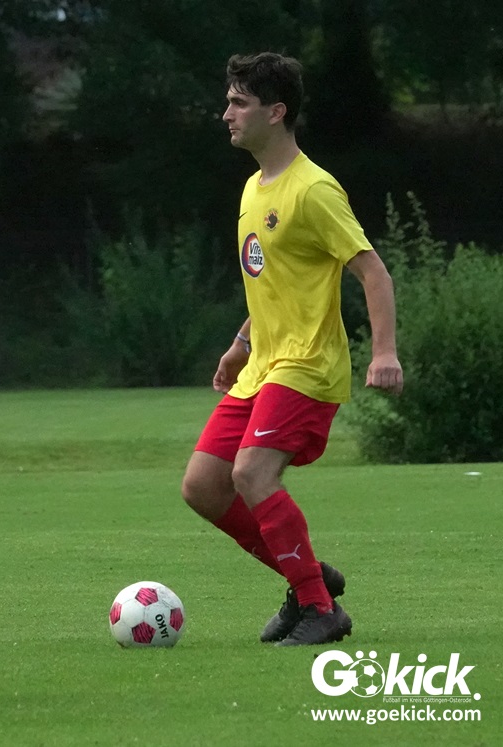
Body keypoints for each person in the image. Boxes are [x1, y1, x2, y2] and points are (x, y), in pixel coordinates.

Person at [180, 52, 403, 646]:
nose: (226, 113)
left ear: (276, 112)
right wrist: (239, 344)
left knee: (252, 472)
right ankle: (306, 575)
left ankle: (319, 609)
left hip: (307, 365)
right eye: (228, 101)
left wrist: (384, 353)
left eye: (239, 102)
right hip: (263, 364)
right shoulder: (253, 189)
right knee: (203, 486)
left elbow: (373, 272)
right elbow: (275, 284)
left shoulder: (314, 189)